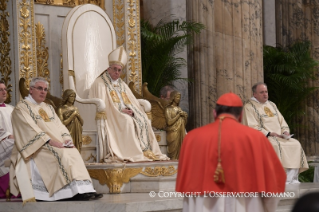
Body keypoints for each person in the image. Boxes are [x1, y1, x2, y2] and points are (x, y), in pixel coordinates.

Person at [176, 92, 286, 212]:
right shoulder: (256, 138)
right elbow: (273, 181)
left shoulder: (191, 138)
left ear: (214, 113)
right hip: (245, 204)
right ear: (240, 115)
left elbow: (187, 185)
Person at [10, 77, 102, 203]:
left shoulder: (48, 107)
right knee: (62, 154)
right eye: (40, 88)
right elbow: (29, 129)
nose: (43, 92)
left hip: (56, 143)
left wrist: (67, 140)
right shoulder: (21, 108)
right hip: (36, 146)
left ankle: (84, 190)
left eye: (45, 89)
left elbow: (60, 126)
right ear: (31, 90)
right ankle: (69, 192)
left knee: (73, 152)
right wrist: (49, 141)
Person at [89, 46, 168, 162]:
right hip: (113, 114)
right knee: (128, 122)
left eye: (119, 70)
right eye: (114, 69)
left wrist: (132, 110)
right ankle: (132, 153)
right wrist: (120, 110)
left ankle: (146, 151)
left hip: (126, 111)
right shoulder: (100, 83)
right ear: (108, 69)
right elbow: (102, 104)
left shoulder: (122, 84)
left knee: (144, 119)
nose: (116, 72)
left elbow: (132, 101)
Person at [242, 82, 308, 184]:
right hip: (264, 137)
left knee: (295, 144)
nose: (265, 94)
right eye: (262, 92)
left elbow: (282, 121)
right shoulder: (249, 107)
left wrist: (285, 131)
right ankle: (278, 179)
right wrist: (269, 133)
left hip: (280, 136)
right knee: (274, 146)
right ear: (255, 94)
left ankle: (291, 179)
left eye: (266, 92)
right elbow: (251, 126)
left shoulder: (272, 104)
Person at [0, 81, 15, 199]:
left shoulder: (12, 109)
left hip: (13, 138)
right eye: (1, 90)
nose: (4, 92)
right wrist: (8, 135)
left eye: (5, 89)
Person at [165, 91, 187, 159]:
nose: (178, 99)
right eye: (177, 97)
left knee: (181, 152)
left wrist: (185, 117)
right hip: (173, 132)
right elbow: (169, 122)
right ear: (173, 98)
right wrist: (178, 115)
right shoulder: (168, 109)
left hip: (180, 131)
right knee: (173, 153)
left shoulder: (179, 108)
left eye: (179, 97)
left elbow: (183, 123)